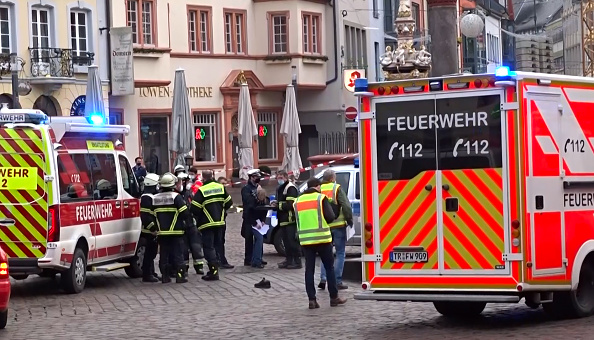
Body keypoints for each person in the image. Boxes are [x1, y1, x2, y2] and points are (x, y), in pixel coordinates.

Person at [293, 177, 347, 309]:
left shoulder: (297, 201)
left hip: (306, 241)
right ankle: (334, 297)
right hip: (322, 239)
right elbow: (330, 217)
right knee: (329, 268)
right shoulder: (320, 198)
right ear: (317, 187)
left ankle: (312, 300)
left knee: (309, 270)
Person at [191, 170, 233, 281]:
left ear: (203, 179)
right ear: (212, 176)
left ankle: (213, 272)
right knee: (217, 245)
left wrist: (201, 215)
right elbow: (229, 202)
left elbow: (194, 208)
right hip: (220, 222)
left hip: (206, 224)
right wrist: (221, 211)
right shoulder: (220, 187)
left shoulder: (202, 190)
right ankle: (217, 265)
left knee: (208, 248)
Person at [153, 172, 191, 283]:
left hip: (162, 232)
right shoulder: (176, 197)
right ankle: (180, 277)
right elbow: (185, 213)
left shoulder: (155, 198)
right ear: (172, 185)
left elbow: (151, 215)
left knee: (164, 255)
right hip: (176, 231)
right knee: (178, 254)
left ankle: (165, 277)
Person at [318, 169, 353, 291]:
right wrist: (349, 220)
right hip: (338, 226)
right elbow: (346, 206)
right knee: (340, 253)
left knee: (325, 254)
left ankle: (323, 278)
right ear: (332, 178)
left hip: (325, 226)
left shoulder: (319, 189)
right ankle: (337, 281)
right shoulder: (336, 188)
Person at [272, 170, 301, 269]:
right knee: (286, 242)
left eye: (280, 178)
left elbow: (290, 204)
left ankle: (297, 261)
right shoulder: (281, 188)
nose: (279, 180)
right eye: (278, 178)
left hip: (290, 219)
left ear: (285, 177)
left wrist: (278, 205)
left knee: (292, 241)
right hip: (283, 219)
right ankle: (288, 260)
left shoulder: (290, 188)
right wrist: (276, 202)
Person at [178, 172, 205, 275]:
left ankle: (199, 267)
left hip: (191, 224)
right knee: (183, 248)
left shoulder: (190, 193)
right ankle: (184, 268)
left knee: (196, 246)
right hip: (182, 225)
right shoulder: (177, 195)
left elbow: (195, 206)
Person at [241, 169, 267, 267]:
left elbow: (263, 203)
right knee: (249, 240)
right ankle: (249, 259)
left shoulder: (259, 188)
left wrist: (263, 220)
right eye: (256, 177)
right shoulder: (246, 189)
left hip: (259, 218)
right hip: (249, 219)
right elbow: (248, 205)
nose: (258, 179)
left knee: (259, 239)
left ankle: (258, 257)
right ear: (251, 177)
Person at [139, 173, 160, 282]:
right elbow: (145, 216)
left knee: (152, 252)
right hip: (149, 231)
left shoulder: (149, 196)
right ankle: (147, 275)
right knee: (149, 253)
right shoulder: (147, 197)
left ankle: (151, 272)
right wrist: (153, 229)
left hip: (150, 230)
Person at [216, 177, 233, 269]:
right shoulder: (220, 192)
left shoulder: (223, 192)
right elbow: (229, 202)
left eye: (225, 184)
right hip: (219, 220)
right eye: (222, 183)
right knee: (218, 241)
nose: (224, 185)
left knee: (220, 241)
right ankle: (220, 260)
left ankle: (218, 260)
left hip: (221, 219)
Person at [250, 186, 270, 269]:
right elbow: (249, 214)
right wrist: (255, 223)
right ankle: (257, 260)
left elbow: (263, 213)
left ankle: (255, 260)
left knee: (258, 241)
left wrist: (262, 221)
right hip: (253, 224)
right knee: (259, 239)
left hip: (259, 223)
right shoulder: (253, 203)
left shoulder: (264, 202)